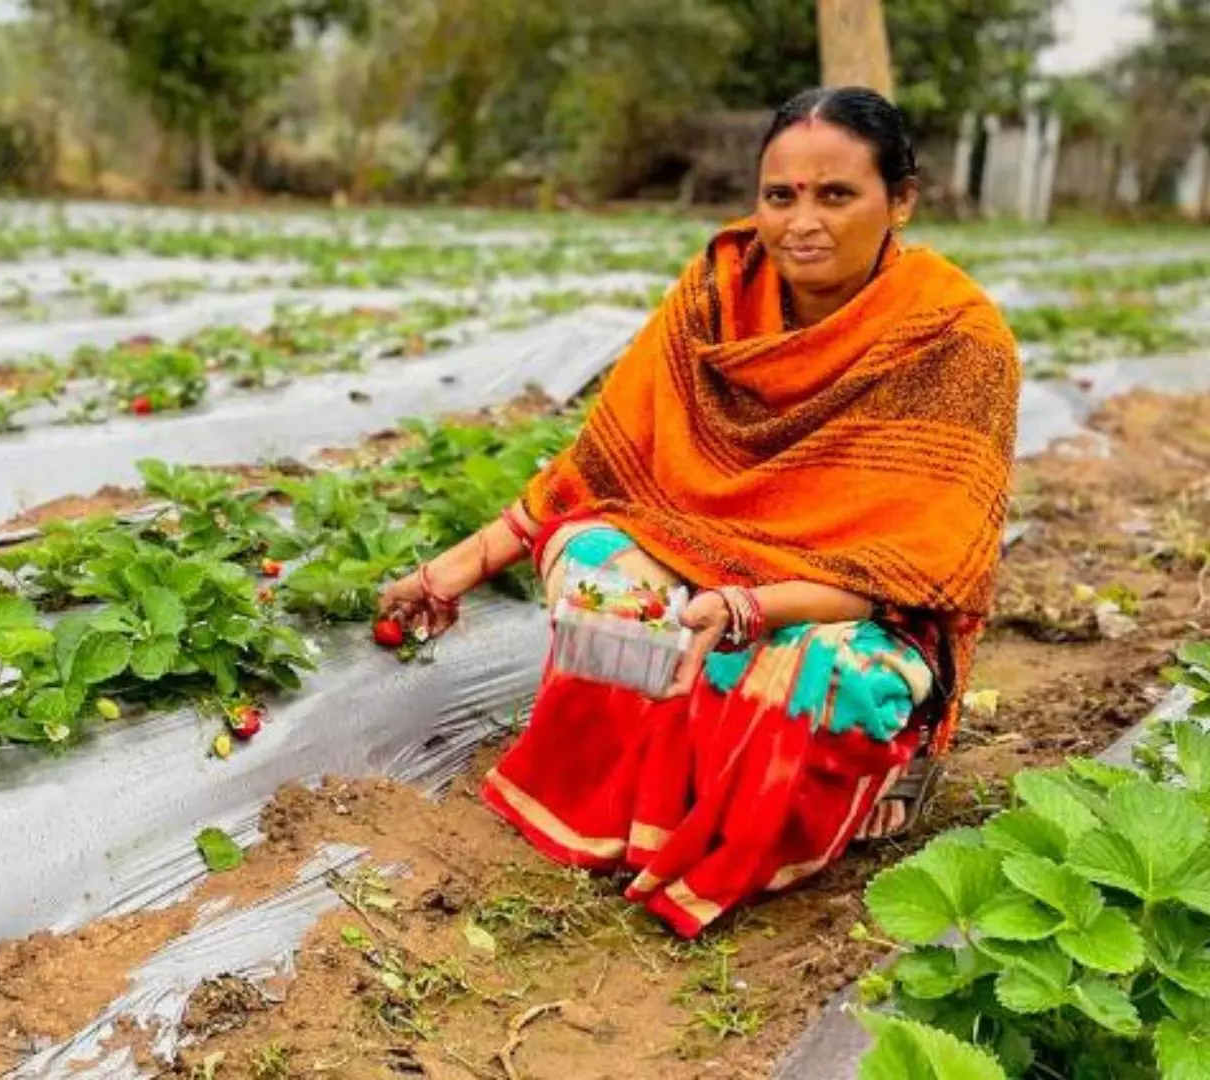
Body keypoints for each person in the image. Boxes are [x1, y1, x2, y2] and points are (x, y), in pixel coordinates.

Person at [377, 86, 1020, 938]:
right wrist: (454, 568)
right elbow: (601, 461)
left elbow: (919, 572)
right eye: (780, 195)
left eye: (837, 195)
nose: (802, 222)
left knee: (816, 682)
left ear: (900, 201)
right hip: (705, 566)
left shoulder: (954, 340)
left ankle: (854, 788)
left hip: (848, 605)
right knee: (595, 569)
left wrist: (755, 607)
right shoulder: (721, 291)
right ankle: (638, 808)